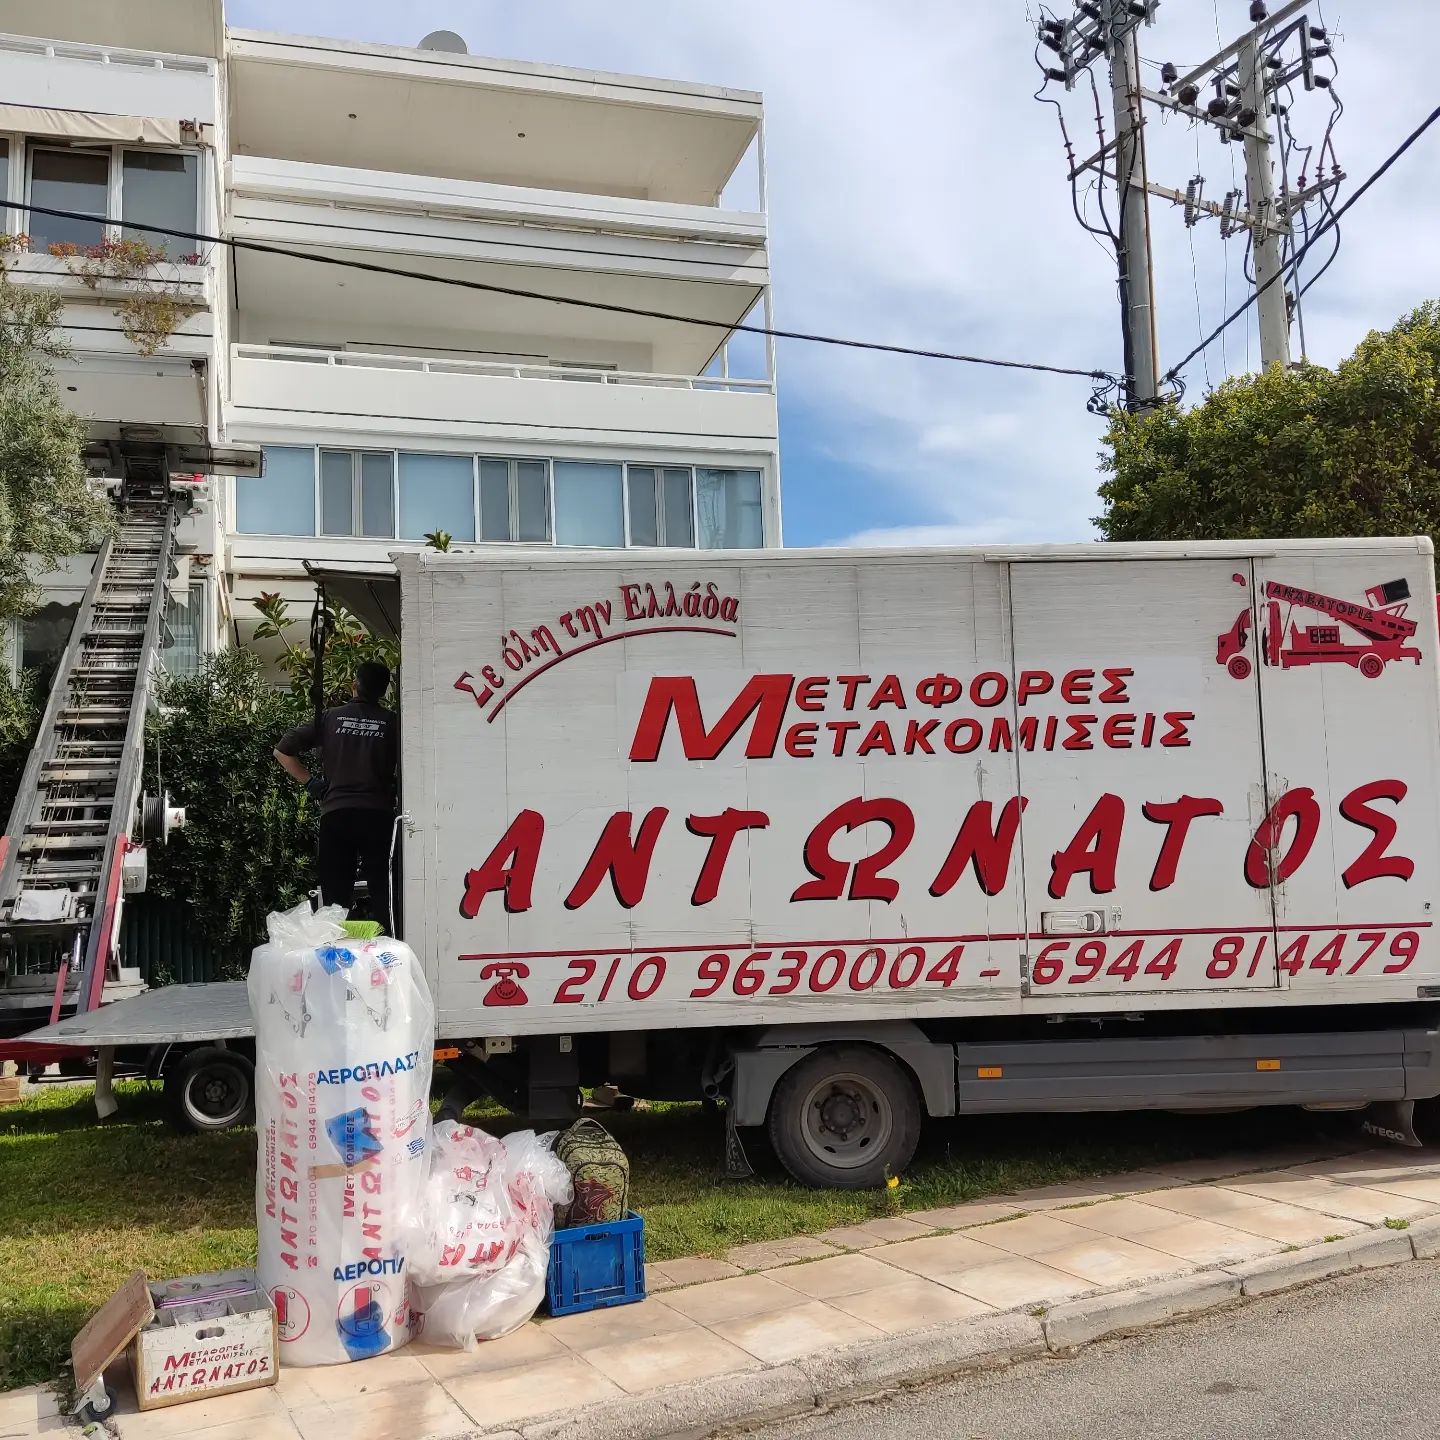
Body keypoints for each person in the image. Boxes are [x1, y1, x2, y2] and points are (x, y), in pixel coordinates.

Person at [274, 660, 399, 934]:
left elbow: (282, 751)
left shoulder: (330, 717)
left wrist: (311, 783)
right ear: (383, 691)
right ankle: (390, 947)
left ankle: (334, 947)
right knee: (384, 891)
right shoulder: (392, 723)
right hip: (377, 816)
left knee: (334, 898)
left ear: (355, 684)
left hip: (337, 814)